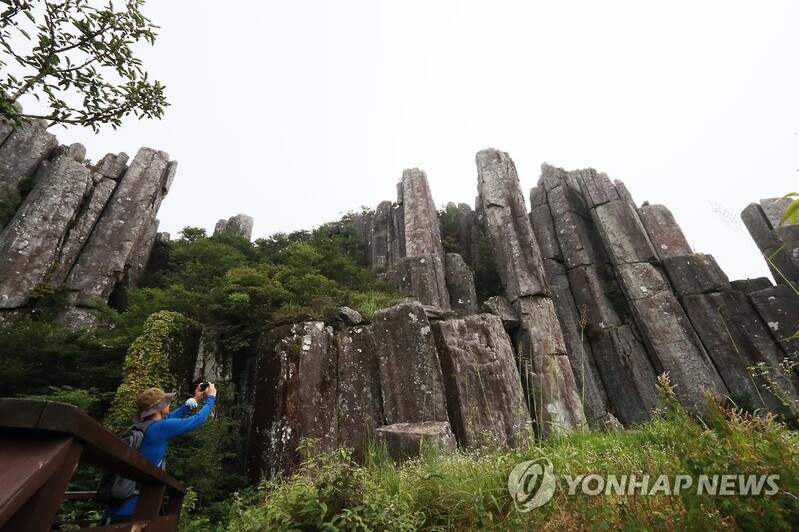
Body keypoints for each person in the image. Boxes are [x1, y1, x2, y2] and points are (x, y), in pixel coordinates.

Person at [103, 382, 217, 524]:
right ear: (159, 407)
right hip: (132, 512)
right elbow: (198, 419)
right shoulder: (161, 428)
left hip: (114, 510)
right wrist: (211, 397)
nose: (168, 404)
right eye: (166, 402)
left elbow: (168, 419)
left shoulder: (143, 427)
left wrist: (194, 400)